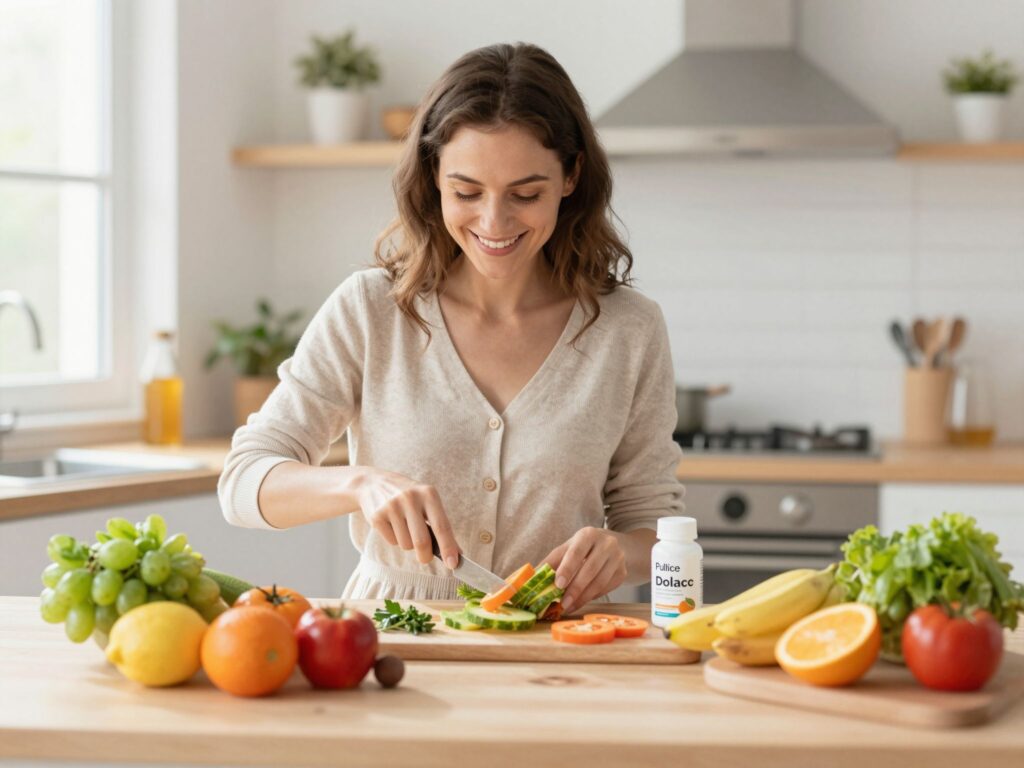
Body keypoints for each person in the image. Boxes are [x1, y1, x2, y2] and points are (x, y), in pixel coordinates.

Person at [218, 42, 684, 615]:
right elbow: (243, 483)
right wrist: (360, 484)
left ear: (571, 176)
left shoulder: (628, 330)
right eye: (466, 192)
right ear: (433, 177)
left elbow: (655, 528)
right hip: (394, 634)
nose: (494, 221)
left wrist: (620, 551)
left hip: (560, 641)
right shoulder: (372, 310)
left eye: (526, 194)